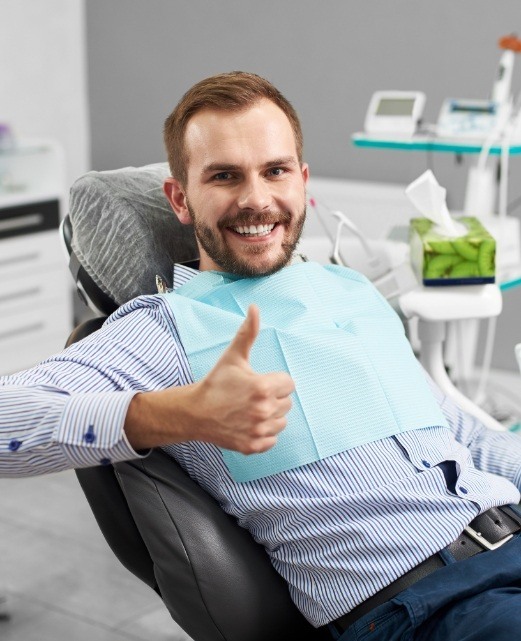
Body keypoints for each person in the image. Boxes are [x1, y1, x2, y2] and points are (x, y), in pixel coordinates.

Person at [2, 71, 521, 640]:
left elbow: (457, 435)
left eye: (274, 171)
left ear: (301, 181)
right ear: (180, 198)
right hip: (425, 609)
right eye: (224, 176)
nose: (256, 199)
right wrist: (174, 414)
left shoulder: (350, 290)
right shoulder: (166, 330)